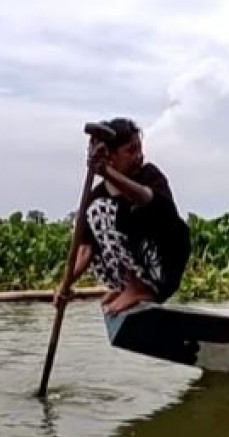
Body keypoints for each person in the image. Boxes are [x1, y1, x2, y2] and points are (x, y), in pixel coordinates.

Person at [55, 117, 191, 315]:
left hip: (162, 266)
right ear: (111, 156)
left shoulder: (149, 176)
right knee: (97, 209)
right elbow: (85, 251)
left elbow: (145, 198)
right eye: (131, 150)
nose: (139, 156)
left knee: (102, 209)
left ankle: (139, 287)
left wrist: (106, 172)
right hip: (135, 268)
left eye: (139, 148)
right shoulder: (97, 195)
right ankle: (125, 286)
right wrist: (65, 284)